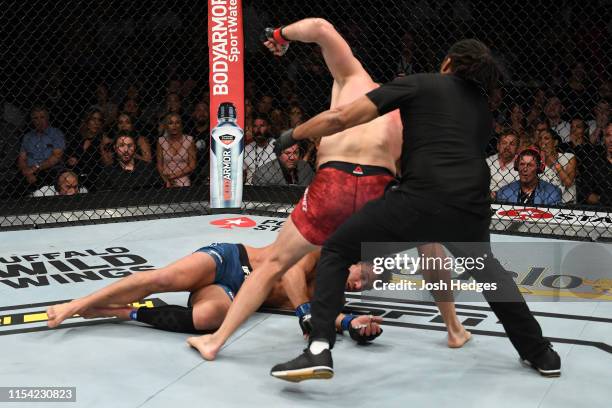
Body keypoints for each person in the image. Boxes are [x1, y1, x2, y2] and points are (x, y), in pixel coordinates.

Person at [268, 38, 560, 381]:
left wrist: (291, 135)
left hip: (423, 198)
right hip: (472, 203)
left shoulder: (420, 82)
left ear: (448, 62)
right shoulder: (481, 106)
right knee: (488, 273)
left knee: (336, 249)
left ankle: (318, 349)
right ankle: (541, 352)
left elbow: (342, 117)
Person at [186, 18, 470, 360]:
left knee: (275, 262)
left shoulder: (353, 79)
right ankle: (454, 329)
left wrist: (278, 36)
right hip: (377, 192)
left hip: (333, 185)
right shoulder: (413, 114)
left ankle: (215, 341)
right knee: (430, 240)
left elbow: (320, 28)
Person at [45, 247, 383, 344]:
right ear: (354, 264)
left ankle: (119, 313)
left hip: (231, 292)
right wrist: (304, 313)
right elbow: (289, 271)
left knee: (207, 319)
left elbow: (330, 317)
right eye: (361, 276)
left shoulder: (332, 296)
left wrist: (353, 324)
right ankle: (78, 303)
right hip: (233, 260)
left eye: (363, 287)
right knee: (163, 278)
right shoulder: (321, 254)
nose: (357, 284)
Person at [496, 148, 562, 205]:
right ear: (517, 167)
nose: (525, 169)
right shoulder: (504, 192)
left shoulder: (552, 193)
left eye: (530, 165)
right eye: (522, 164)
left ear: (539, 168)